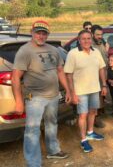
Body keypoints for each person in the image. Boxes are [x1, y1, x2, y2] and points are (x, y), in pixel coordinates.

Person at [12, 20, 71, 166]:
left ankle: (53, 150)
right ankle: (33, 163)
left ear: (47, 35)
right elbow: (15, 78)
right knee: (32, 130)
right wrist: (19, 102)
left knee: (52, 123)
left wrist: (68, 90)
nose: (41, 36)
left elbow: (60, 71)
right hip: (35, 98)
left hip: (53, 96)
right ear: (32, 33)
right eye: (38, 32)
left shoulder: (53, 49)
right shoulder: (25, 51)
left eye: (44, 33)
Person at [64, 30, 107, 153]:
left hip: (94, 89)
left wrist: (104, 85)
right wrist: (72, 93)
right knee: (82, 115)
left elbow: (101, 69)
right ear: (79, 39)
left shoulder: (96, 51)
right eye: (83, 39)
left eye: (88, 38)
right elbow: (69, 75)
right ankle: (83, 140)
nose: (87, 41)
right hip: (80, 91)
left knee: (93, 111)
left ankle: (90, 132)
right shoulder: (73, 53)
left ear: (91, 39)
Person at [91, 24, 109, 128]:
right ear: (92, 34)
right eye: (97, 34)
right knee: (95, 98)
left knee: (101, 96)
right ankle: (95, 119)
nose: (100, 36)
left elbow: (104, 57)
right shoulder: (90, 44)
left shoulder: (102, 42)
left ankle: (99, 114)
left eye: (101, 34)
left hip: (103, 74)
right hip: (94, 76)